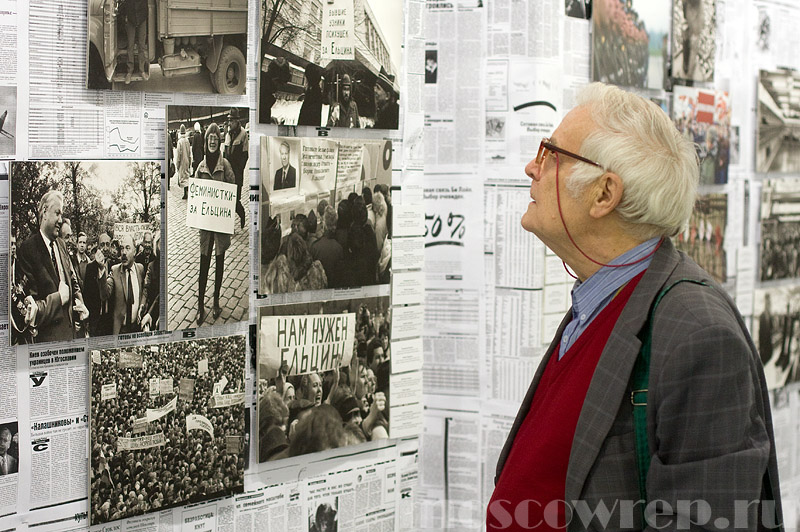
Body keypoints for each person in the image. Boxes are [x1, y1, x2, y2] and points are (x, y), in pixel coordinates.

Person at [488, 83, 782, 531]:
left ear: (605, 194)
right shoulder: (599, 299)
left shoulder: (696, 330)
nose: (532, 167)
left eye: (550, 154)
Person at [15, 190, 89, 343]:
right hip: (49, 345)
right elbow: (30, 309)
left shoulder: (61, 244)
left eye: (62, 215)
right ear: (44, 212)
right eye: (57, 213)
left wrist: (80, 302)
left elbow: (72, 281)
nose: (61, 220)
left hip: (71, 339)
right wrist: (59, 298)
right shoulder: (28, 250)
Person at [194, 122, 235, 324]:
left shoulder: (225, 165)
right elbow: (195, 196)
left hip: (220, 227)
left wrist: (232, 208)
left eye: (215, 138)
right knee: (203, 266)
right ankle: (200, 305)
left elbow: (232, 190)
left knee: (219, 264)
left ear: (219, 141)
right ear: (205, 141)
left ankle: (216, 301)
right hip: (205, 227)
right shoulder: (200, 168)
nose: (212, 141)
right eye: (209, 137)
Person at [97, 234, 145, 335]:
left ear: (135, 251)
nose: (124, 253)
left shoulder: (140, 269)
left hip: (137, 328)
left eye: (128, 248)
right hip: (120, 330)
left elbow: (144, 291)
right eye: (122, 248)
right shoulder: (115, 270)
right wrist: (101, 269)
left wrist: (142, 305)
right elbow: (105, 294)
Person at [224, 108, 248, 230]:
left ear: (237, 121)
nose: (229, 123)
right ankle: (229, 225)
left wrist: (238, 171)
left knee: (235, 200)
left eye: (231, 121)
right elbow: (224, 154)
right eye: (229, 121)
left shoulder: (243, 134)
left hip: (237, 174)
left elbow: (245, 156)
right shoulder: (227, 134)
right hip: (228, 174)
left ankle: (242, 214)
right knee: (228, 200)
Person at [121, 0, 149, 84]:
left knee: (142, 45)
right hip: (131, 17)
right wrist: (126, 15)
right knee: (130, 45)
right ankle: (129, 72)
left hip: (142, 17)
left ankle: (142, 70)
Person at [175, 124, 192, 199]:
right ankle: (187, 192)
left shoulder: (180, 142)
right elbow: (189, 152)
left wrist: (177, 164)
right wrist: (190, 161)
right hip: (187, 161)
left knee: (183, 178)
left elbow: (178, 154)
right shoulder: (187, 140)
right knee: (187, 177)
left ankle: (186, 193)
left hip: (182, 162)